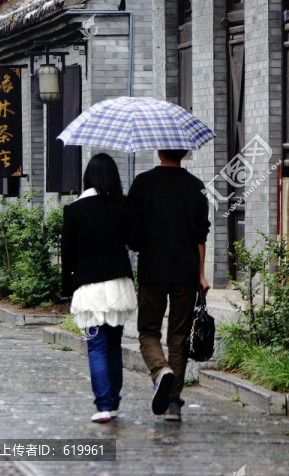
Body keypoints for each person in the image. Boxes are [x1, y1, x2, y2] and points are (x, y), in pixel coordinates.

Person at [127, 148, 211, 422]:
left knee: (148, 331)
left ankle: (160, 370)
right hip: (186, 272)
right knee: (178, 336)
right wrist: (201, 274)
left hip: (153, 270)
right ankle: (173, 404)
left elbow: (134, 237)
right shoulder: (196, 186)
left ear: (159, 150)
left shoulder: (142, 183)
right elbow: (201, 235)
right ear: (185, 152)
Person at [61, 153, 137, 424]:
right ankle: (113, 403)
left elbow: (67, 256)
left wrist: (65, 289)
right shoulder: (122, 205)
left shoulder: (73, 211)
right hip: (118, 286)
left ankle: (103, 405)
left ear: (87, 177)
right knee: (114, 345)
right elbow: (135, 242)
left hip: (88, 288)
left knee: (96, 346)